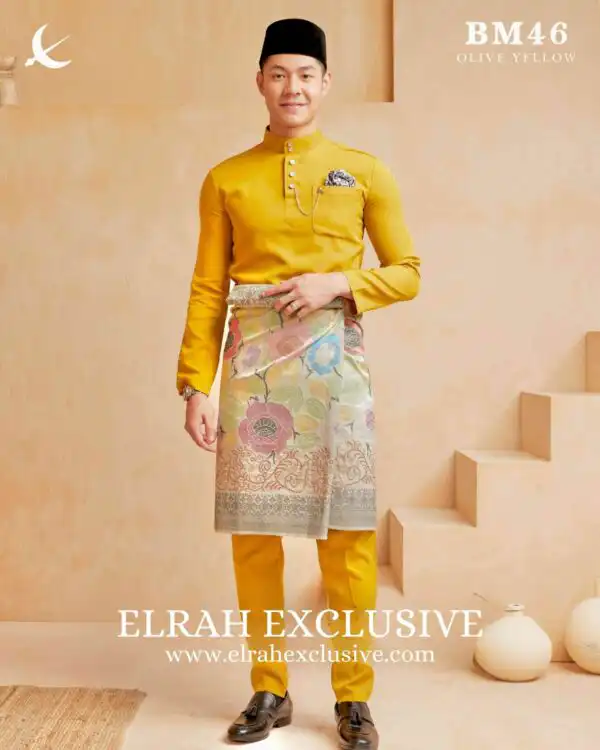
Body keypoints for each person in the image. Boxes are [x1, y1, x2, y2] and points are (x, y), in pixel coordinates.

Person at [176, 17, 420, 749]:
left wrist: (337, 283)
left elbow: (407, 272)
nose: (293, 87)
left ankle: (354, 699)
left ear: (325, 83)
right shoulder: (226, 177)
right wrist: (195, 384)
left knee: (347, 537)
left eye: (306, 75)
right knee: (255, 538)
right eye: (279, 74)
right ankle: (269, 689)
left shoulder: (365, 170)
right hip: (251, 370)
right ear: (260, 82)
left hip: (336, 368)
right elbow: (207, 288)